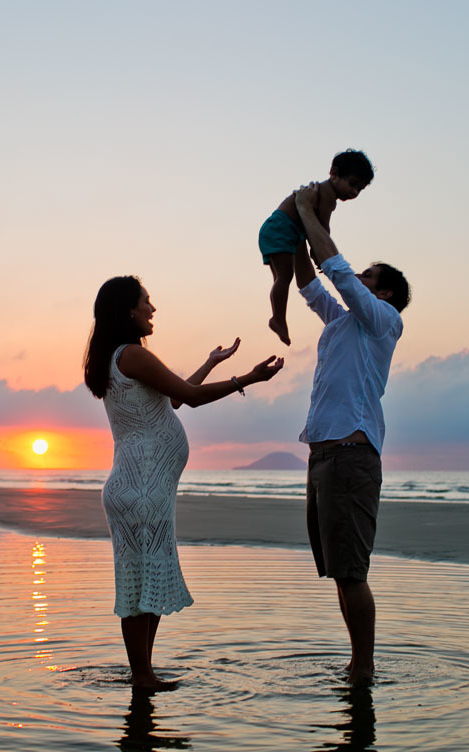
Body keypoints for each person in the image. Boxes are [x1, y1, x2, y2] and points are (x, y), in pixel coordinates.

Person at [84, 275, 284, 690]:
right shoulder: (133, 355)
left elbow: (174, 397)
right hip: (141, 488)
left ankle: (145, 675)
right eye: (146, 301)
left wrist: (213, 361)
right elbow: (190, 398)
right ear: (128, 310)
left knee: (146, 583)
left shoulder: (121, 358)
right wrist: (247, 379)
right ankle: (142, 676)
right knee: (141, 585)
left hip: (140, 488)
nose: (152, 309)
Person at [291, 183, 410, 686]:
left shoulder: (384, 320)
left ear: (380, 292)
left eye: (367, 277)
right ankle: (356, 666)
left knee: (353, 572)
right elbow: (311, 283)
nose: (356, 277)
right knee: (340, 573)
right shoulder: (342, 324)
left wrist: (307, 210)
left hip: (350, 456)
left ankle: (364, 669)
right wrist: (301, 228)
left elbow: (336, 270)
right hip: (324, 459)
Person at [258, 149, 374, 346]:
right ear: (334, 173)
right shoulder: (327, 195)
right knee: (284, 278)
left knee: (281, 278)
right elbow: (322, 229)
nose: (354, 192)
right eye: (352, 184)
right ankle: (278, 318)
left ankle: (278, 317)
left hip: (279, 229)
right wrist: (320, 256)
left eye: (359, 189)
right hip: (282, 230)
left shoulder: (320, 192)